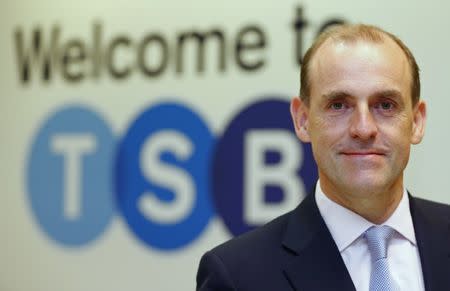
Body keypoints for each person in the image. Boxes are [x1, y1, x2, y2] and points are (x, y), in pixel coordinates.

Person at [196, 24, 450, 291]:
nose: (363, 129)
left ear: (417, 122)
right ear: (303, 120)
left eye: (385, 105)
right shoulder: (237, 277)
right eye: (338, 105)